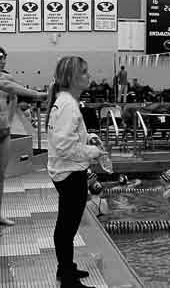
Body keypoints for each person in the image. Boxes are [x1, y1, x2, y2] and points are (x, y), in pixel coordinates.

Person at [47, 56, 107, 288]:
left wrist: (88, 137)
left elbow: (68, 137)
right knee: (67, 227)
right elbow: (64, 147)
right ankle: (68, 281)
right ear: (71, 78)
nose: (88, 76)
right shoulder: (68, 105)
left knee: (66, 225)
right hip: (69, 173)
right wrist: (92, 151)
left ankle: (66, 268)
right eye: (84, 72)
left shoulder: (66, 101)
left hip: (65, 171)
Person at [0, 46, 50, 226]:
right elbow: (8, 87)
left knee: (1, 175)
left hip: (3, 133)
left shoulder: (8, 78)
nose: (1, 60)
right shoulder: (5, 82)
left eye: (3, 57)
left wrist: (9, 120)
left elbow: (13, 97)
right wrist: (41, 95)